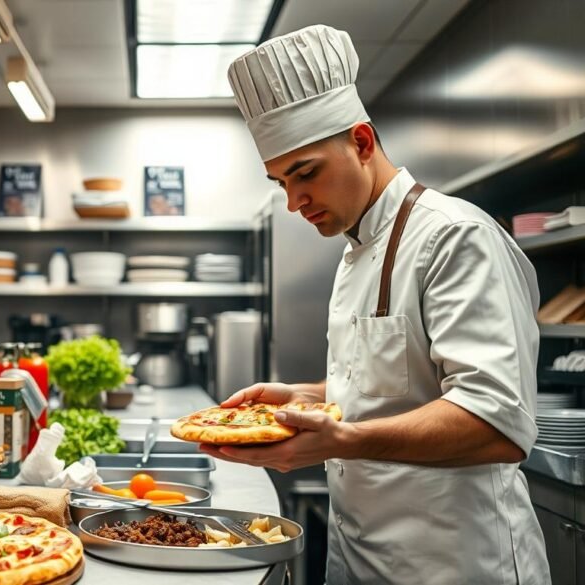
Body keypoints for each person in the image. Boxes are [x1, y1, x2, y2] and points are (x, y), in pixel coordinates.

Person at [214, 24, 550, 584]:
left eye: (306, 174)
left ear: (362, 143)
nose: (295, 201)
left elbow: (498, 423)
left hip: (455, 566)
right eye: (281, 182)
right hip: (362, 560)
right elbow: (395, 381)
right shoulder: (356, 252)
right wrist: (305, 396)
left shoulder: (454, 237)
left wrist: (342, 439)